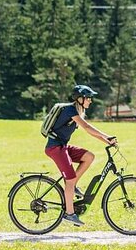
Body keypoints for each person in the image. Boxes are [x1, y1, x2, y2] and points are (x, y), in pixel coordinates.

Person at [45, 84, 117, 227]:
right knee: (70, 181)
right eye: (88, 98)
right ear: (80, 99)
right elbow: (87, 127)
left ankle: (72, 185)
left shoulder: (78, 111)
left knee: (88, 157)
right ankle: (69, 214)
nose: (91, 101)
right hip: (55, 148)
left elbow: (89, 131)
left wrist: (107, 141)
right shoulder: (70, 110)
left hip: (62, 146)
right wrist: (107, 136)